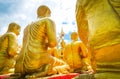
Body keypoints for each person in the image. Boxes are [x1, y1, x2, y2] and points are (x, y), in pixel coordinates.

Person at [15, 5, 70, 79]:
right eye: (50, 14)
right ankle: (50, 70)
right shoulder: (47, 20)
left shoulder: (26, 27)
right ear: (47, 12)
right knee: (66, 66)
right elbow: (53, 43)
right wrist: (45, 43)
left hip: (19, 66)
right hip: (36, 62)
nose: (50, 16)